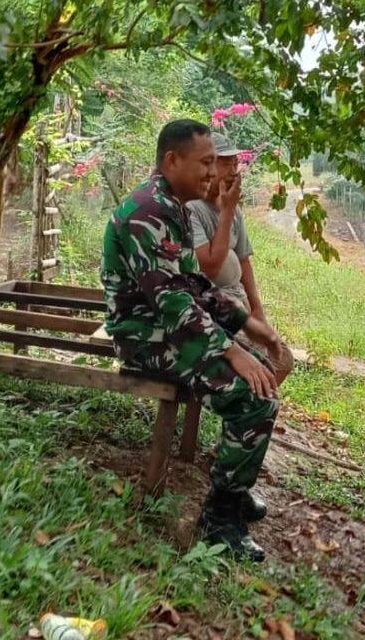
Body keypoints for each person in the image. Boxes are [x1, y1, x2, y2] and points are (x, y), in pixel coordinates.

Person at [100, 119, 283, 562]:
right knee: (253, 396)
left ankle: (231, 493)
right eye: (204, 163)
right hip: (144, 337)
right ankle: (219, 522)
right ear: (171, 161)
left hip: (171, 328)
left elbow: (193, 284)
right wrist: (230, 350)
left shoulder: (172, 205)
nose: (211, 173)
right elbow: (172, 305)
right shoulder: (147, 211)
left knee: (262, 371)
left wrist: (245, 323)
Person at [184, 133, 293, 380]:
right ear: (209, 166)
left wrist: (257, 310)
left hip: (237, 302)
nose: (233, 170)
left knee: (282, 359)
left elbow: (244, 260)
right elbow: (209, 267)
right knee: (263, 363)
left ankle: (258, 406)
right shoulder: (193, 209)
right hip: (213, 308)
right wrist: (228, 208)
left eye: (235, 163)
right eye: (225, 163)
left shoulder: (234, 210)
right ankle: (251, 407)